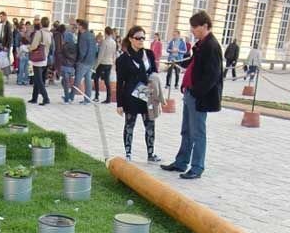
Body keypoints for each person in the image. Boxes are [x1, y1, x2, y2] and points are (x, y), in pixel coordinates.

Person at [161, 10, 223, 180]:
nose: (193, 31)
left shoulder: (212, 45)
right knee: (186, 131)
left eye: (195, 27)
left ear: (204, 25)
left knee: (198, 133)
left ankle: (197, 167)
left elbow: (213, 75)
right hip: (190, 93)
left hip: (199, 96)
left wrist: (196, 92)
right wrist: (176, 62)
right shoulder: (201, 44)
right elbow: (193, 63)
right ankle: (181, 162)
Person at [115, 25, 161, 163]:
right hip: (131, 94)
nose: (141, 40)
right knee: (130, 124)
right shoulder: (123, 59)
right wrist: (119, 104)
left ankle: (151, 153)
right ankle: (128, 152)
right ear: (130, 39)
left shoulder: (149, 54)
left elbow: (154, 73)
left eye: (143, 38)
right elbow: (120, 82)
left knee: (150, 124)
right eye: (138, 38)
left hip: (147, 92)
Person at [28, 16, 52, 105]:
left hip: (37, 58)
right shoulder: (50, 34)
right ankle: (34, 98)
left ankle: (46, 98)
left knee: (38, 80)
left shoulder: (39, 33)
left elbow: (34, 45)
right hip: (44, 57)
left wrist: (29, 48)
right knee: (38, 79)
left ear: (41, 24)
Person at [74, 19, 97, 103]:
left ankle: (70, 96)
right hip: (91, 60)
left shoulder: (83, 36)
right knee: (88, 80)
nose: (77, 27)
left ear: (81, 26)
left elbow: (82, 50)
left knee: (77, 79)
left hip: (83, 61)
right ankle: (87, 98)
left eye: (78, 25)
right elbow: (95, 48)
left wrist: (79, 60)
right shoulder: (91, 35)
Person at [94, 26, 116, 103]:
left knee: (96, 78)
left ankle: (97, 96)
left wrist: (96, 66)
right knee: (107, 80)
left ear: (106, 32)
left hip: (103, 62)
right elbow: (114, 54)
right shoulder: (113, 42)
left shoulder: (105, 42)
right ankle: (108, 98)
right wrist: (113, 63)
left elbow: (101, 55)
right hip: (109, 63)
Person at [58, 25, 77, 103]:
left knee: (65, 82)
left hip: (65, 65)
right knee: (66, 82)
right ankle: (68, 96)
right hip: (71, 66)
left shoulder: (65, 46)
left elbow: (62, 54)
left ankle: (67, 98)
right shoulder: (75, 46)